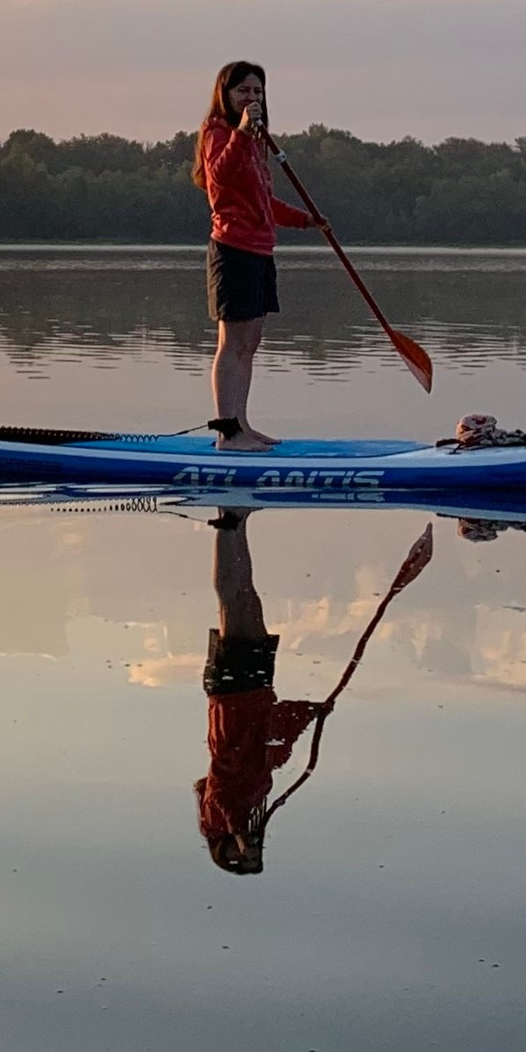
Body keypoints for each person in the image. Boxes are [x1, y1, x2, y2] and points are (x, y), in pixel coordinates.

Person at [191, 58, 325, 451]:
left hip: (260, 249)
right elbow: (218, 178)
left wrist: (306, 221)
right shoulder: (217, 133)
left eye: (257, 91)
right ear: (226, 95)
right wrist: (243, 135)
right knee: (231, 343)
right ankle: (227, 434)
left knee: (251, 342)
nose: (251, 97)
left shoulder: (256, 141)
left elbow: (264, 200)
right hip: (232, 249)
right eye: (243, 90)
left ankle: (242, 426)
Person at [194, 513, 323, 875]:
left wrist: (236, 830)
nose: (245, 848)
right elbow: (274, 748)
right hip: (256, 692)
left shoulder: (219, 812)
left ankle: (228, 523)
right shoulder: (255, 797)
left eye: (238, 854)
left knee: (233, 603)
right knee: (247, 595)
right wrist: (310, 712)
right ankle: (238, 522)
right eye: (251, 853)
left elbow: (215, 787)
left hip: (232, 696)